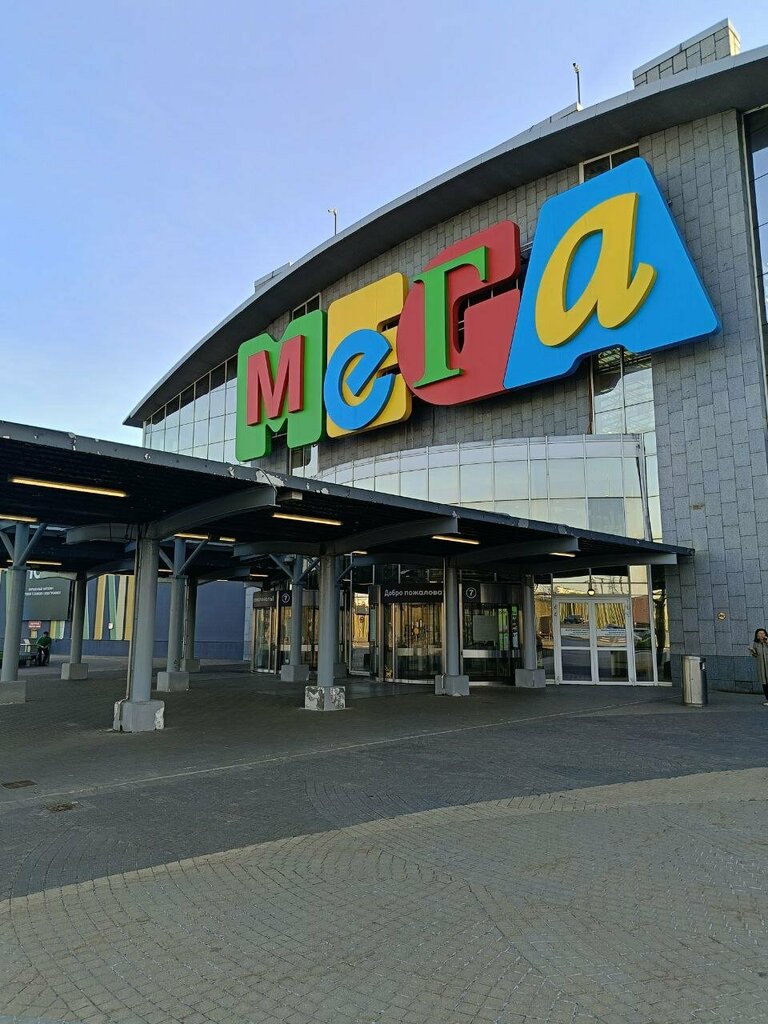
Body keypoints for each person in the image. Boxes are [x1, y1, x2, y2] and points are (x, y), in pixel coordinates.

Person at [747, 628, 768, 705]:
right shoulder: (756, 644)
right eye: (760, 633)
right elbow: (755, 655)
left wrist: (767, 642)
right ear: (757, 635)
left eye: (763, 633)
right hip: (762, 666)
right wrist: (752, 650)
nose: (762, 635)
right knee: (765, 684)